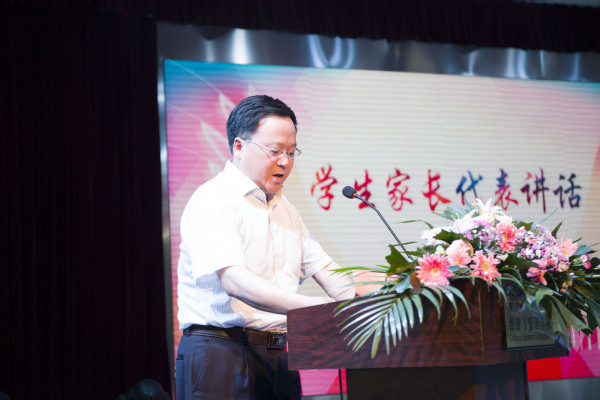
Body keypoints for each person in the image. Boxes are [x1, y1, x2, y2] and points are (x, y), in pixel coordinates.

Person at [176, 94, 355, 400]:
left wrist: (369, 304)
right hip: (221, 352)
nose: (285, 161)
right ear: (239, 146)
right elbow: (234, 281)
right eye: (275, 151)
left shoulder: (286, 210)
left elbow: (327, 271)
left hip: (280, 355)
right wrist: (315, 309)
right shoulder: (213, 199)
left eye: (291, 152)